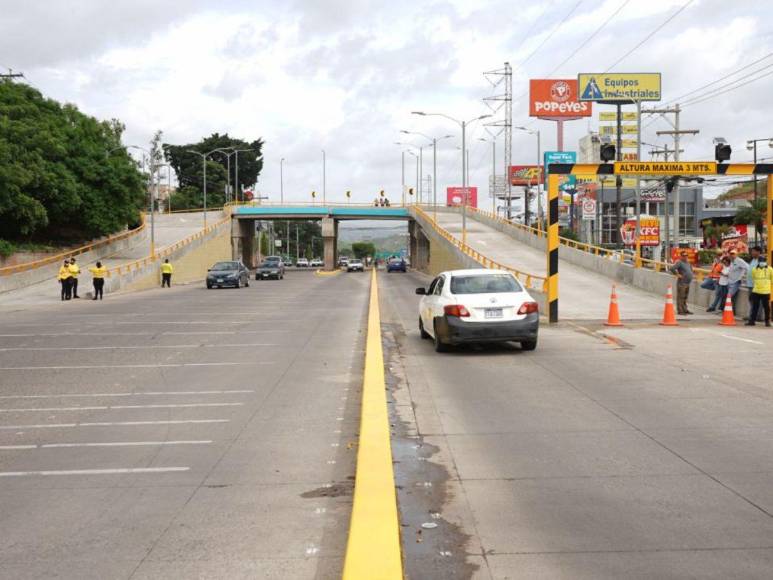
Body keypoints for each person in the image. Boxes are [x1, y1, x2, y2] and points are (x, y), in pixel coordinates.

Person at [745, 259, 773, 327]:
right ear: (758, 262)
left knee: (766, 308)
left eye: (763, 261)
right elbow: (754, 278)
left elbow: (772, 279)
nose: (762, 263)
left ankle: (767, 322)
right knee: (755, 307)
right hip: (756, 290)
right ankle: (752, 321)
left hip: (765, 291)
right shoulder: (754, 269)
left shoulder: (770, 269)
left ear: (766, 262)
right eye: (761, 261)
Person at [669, 250, 693, 315]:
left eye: (686, 256)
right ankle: (680, 310)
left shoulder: (688, 263)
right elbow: (672, 268)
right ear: (681, 256)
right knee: (680, 296)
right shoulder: (679, 262)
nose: (685, 257)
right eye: (684, 256)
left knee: (685, 296)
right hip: (682, 283)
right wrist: (677, 274)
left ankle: (685, 309)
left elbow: (691, 270)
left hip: (687, 282)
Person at [726, 249, 749, 314]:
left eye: (733, 254)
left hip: (736, 282)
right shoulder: (732, 261)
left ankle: (729, 312)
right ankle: (732, 311)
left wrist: (744, 276)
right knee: (733, 298)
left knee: (729, 296)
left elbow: (747, 267)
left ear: (736, 254)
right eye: (730, 254)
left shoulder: (739, 261)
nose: (731, 255)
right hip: (730, 281)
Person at [745, 246, 764, 321]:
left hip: (757, 285)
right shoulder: (752, 259)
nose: (752, 253)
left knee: (757, 302)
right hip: (750, 284)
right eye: (752, 251)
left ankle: (757, 316)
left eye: (753, 251)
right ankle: (751, 315)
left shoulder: (761, 260)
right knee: (751, 301)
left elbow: (763, 271)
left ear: (758, 252)